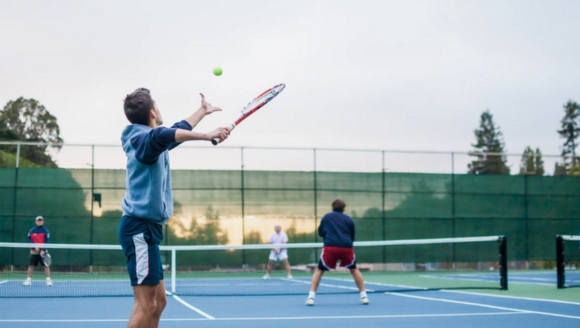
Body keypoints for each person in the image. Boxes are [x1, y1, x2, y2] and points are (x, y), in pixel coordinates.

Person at [118, 88, 229, 328]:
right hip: (139, 229)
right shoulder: (142, 141)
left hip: (149, 230)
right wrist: (206, 135)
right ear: (152, 112)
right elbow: (163, 136)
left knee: (159, 301)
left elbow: (172, 132)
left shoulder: (150, 141)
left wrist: (202, 111)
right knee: (146, 305)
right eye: (157, 106)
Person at [305, 199, 369, 306]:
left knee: (319, 271)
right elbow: (352, 236)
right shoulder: (349, 219)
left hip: (330, 247)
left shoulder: (326, 217)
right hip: (346, 247)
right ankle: (364, 296)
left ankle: (311, 297)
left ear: (332, 207)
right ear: (344, 208)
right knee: (354, 269)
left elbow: (321, 232)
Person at [23, 216, 52, 287]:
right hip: (34, 251)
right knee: (31, 266)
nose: (39, 222)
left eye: (41, 220)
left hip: (43, 252)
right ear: (36, 222)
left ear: (43, 221)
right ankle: (28, 280)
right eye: (38, 221)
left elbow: (47, 241)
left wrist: (43, 250)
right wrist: (34, 247)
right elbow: (29, 240)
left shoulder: (46, 231)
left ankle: (48, 281)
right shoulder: (32, 230)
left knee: (46, 266)